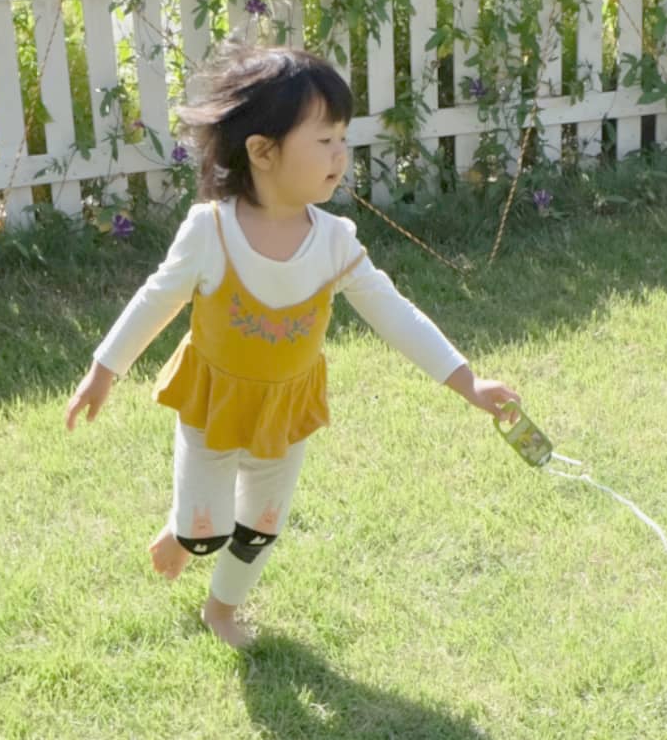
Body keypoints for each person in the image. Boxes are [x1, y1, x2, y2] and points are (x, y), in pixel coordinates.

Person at [64, 45, 521, 649]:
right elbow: (156, 299)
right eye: (325, 140)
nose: (341, 154)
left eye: (342, 138)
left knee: (261, 524)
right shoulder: (211, 230)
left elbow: (393, 312)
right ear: (262, 151)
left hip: (288, 410)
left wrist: (468, 381)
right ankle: (186, 533)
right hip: (214, 404)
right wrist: (104, 370)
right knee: (205, 533)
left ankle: (221, 610)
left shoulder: (335, 241)